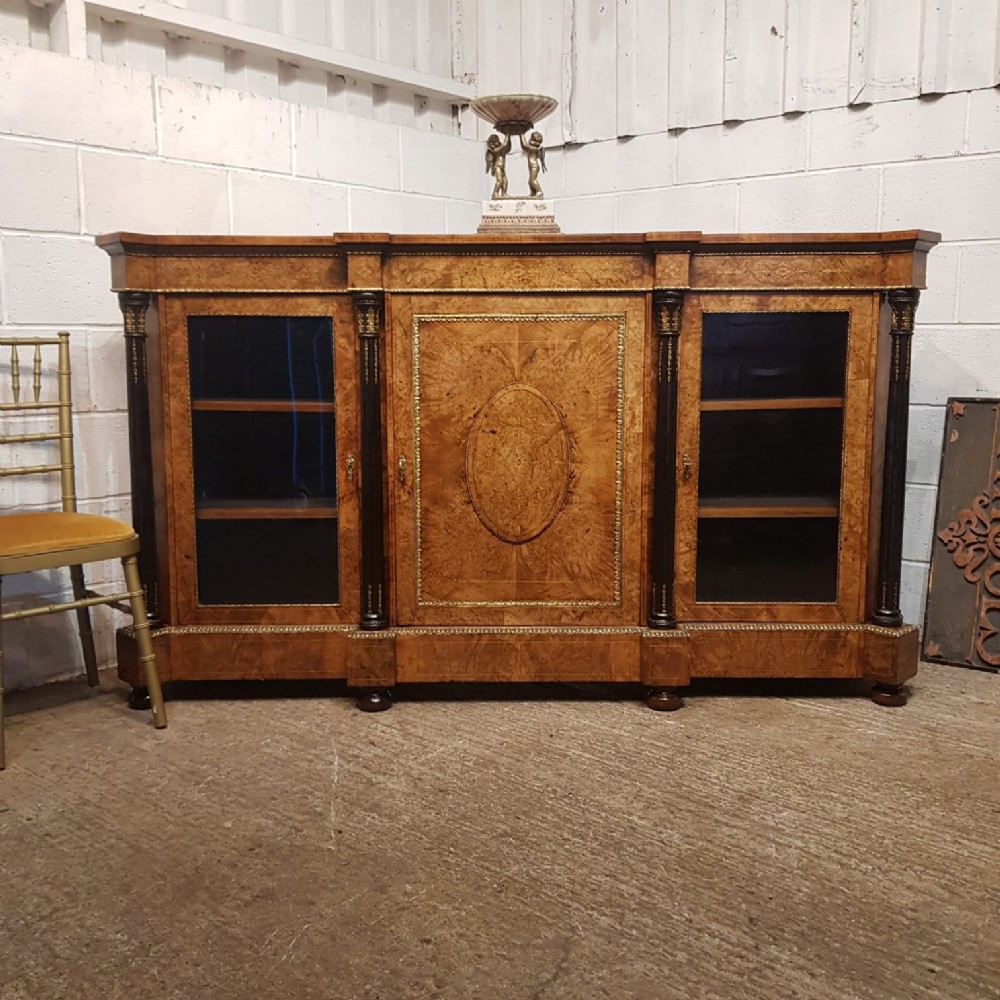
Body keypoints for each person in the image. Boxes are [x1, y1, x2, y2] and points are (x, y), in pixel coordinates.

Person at [520, 131, 547, 198]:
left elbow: (524, 145)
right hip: (532, 165)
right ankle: (533, 193)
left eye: (532, 139)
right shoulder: (533, 148)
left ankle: (539, 191)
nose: (530, 141)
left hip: (534, 166)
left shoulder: (534, 149)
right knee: (530, 181)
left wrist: (521, 134)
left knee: (532, 180)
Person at [485, 133, 511, 199]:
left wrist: (509, 138)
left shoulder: (501, 150)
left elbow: (508, 147)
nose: (497, 142)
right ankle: (495, 193)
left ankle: (504, 193)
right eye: (496, 141)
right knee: (499, 181)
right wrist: (507, 134)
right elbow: (504, 145)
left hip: (502, 167)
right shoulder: (495, 150)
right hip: (497, 166)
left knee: (505, 181)